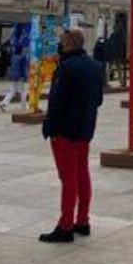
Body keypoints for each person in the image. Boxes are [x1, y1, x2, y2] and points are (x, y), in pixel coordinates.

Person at [39, 28, 103, 243]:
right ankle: (82, 220)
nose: (60, 44)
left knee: (68, 177)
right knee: (82, 173)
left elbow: (56, 102)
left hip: (65, 130)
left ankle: (65, 225)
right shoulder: (95, 66)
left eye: (62, 41)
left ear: (69, 44)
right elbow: (99, 99)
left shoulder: (65, 68)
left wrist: (49, 126)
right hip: (85, 128)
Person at [0, 43, 30, 112]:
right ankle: (24, 106)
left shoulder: (14, 56)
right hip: (21, 76)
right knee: (23, 91)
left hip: (14, 75)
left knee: (12, 90)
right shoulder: (23, 57)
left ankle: (4, 103)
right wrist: (25, 76)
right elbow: (24, 68)